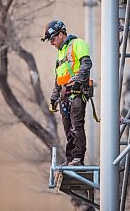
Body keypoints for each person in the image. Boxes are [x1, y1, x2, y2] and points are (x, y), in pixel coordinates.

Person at [41, 20, 92, 166]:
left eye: (52, 39)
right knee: (68, 127)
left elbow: (86, 64)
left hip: (76, 91)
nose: (51, 43)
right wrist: (54, 97)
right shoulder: (60, 54)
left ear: (61, 34)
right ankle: (70, 158)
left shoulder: (78, 44)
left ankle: (77, 158)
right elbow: (59, 78)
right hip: (65, 93)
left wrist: (78, 82)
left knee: (76, 124)